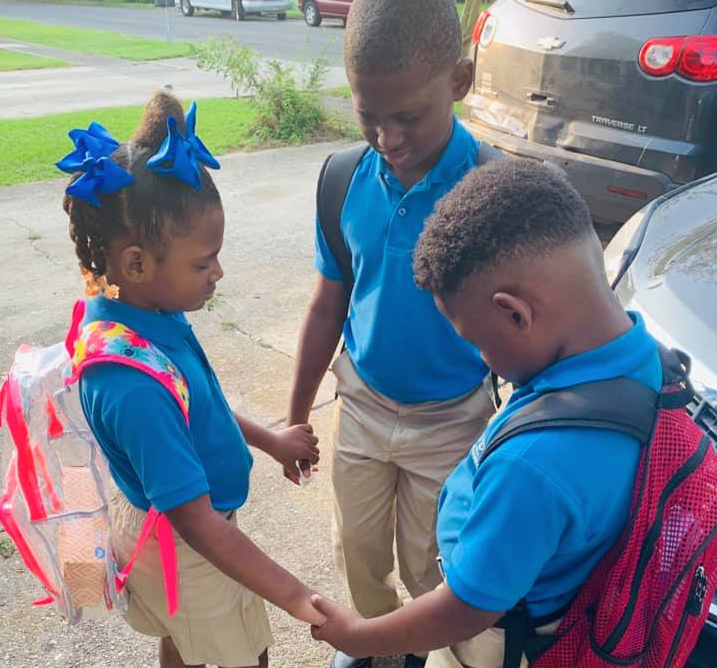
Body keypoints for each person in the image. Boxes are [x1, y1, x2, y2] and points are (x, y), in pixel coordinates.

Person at [310, 159, 663, 668]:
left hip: (493, 642)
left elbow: (465, 611)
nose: (481, 358)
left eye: (477, 340)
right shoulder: (638, 354)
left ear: (516, 313)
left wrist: (360, 636)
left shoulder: (533, 468)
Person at [60, 90, 325, 668]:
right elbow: (201, 525)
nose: (219, 273)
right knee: (238, 651)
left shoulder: (145, 314)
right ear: (135, 264)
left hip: (164, 529)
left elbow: (197, 406)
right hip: (188, 546)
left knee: (183, 636)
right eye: (203, 263)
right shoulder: (131, 387)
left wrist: (270, 438)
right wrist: (294, 594)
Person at [287, 1, 496, 666]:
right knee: (358, 547)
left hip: (453, 420)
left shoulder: (493, 192)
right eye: (367, 114)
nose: (387, 136)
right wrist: (295, 416)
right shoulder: (344, 179)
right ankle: (376, 643)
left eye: (407, 116)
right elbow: (329, 302)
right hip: (365, 408)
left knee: (433, 561)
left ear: (459, 82)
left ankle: (429, 644)